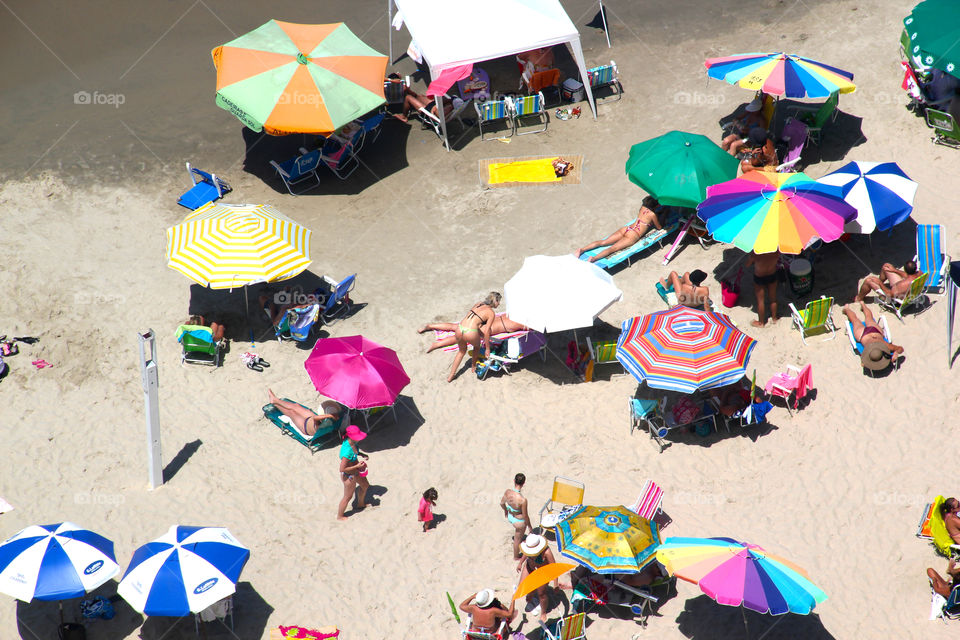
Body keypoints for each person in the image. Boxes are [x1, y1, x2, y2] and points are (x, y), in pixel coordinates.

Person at [426, 293, 501, 382]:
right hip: (470, 332)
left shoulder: (478, 303)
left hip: (460, 328)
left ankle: (451, 376)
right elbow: (487, 331)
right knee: (477, 347)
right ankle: (473, 366)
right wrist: (487, 349)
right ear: (494, 301)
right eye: (498, 301)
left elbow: (473, 320)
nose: (499, 304)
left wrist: (479, 332)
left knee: (461, 352)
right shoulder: (491, 313)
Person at [576, 196, 663, 263]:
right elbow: (659, 227)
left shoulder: (643, 207)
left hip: (627, 229)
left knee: (604, 242)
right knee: (612, 249)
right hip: (633, 235)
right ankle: (593, 258)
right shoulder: (652, 215)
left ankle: (582, 250)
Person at [418, 314, 530, 354]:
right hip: (485, 329)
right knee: (459, 337)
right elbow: (530, 328)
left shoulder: (513, 313)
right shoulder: (520, 323)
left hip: (483, 321)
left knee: (456, 327)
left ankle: (431, 326)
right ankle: (436, 345)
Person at [841, 302, 905, 371]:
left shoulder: (885, 345)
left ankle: (850, 308)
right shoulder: (868, 353)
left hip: (870, 333)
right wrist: (896, 352)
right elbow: (863, 364)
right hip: (865, 335)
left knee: (857, 319)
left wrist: (896, 352)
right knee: (858, 319)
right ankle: (861, 305)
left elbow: (900, 349)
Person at [517, 534, 557, 622]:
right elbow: (526, 553)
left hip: (543, 572)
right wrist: (520, 563)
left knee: (541, 594)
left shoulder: (546, 552)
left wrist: (555, 584)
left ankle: (543, 612)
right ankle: (531, 592)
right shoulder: (528, 548)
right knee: (523, 586)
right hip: (530, 566)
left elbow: (554, 568)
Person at [267, 390, 343, 437]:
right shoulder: (338, 417)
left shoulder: (323, 425)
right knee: (296, 406)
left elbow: (315, 418)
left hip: (305, 426)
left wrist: (330, 415)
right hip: (310, 419)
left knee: (291, 413)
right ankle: (276, 400)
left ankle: (275, 403)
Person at [337, 425, 370, 521]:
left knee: (365, 485)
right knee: (348, 497)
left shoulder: (353, 443)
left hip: (355, 472)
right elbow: (342, 469)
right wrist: (357, 466)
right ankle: (340, 516)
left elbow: (355, 452)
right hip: (348, 476)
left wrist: (362, 454)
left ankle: (360, 504)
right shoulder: (347, 452)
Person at [500, 473, 533, 559]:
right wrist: (529, 526)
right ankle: (516, 556)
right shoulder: (522, 500)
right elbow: (525, 516)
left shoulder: (507, 492)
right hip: (519, 522)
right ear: (523, 483)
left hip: (511, 516)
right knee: (517, 539)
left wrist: (506, 511)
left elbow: (502, 503)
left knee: (518, 537)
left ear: (514, 481)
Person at [744, 251, 780, 327]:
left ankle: (761, 323)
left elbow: (747, 265)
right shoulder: (776, 251)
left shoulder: (756, 253)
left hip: (759, 276)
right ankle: (774, 318)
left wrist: (751, 257)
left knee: (760, 301)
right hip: (772, 274)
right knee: (773, 299)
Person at [855, 260, 920, 302]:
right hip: (909, 294)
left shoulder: (902, 285)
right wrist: (894, 270)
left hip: (896, 301)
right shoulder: (920, 274)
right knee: (886, 266)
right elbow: (908, 275)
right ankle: (879, 281)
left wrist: (880, 284)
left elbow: (890, 295)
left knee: (869, 281)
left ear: (905, 270)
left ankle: (859, 298)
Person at [392, 90, 465, 124]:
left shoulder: (447, 111)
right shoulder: (451, 107)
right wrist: (449, 100)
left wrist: (436, 107)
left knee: (408, 97)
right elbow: (442, 104)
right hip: (433, 105)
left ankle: (404, 116)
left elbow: (434, 113)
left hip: (427, 111)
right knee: (419, 96)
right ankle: (407, 90)